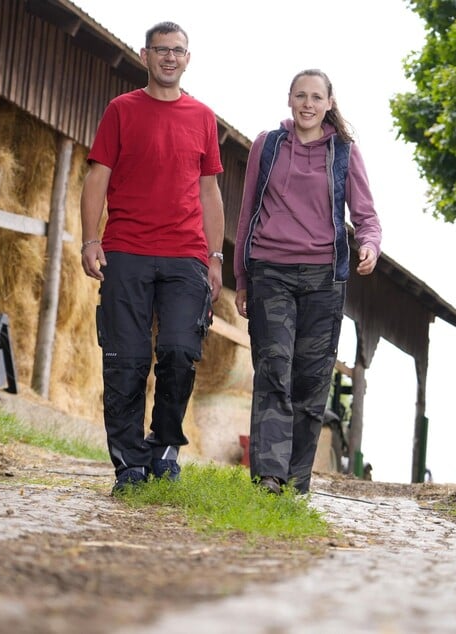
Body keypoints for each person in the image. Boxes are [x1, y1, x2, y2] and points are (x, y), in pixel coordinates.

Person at [80, 21, 225, 494]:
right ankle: (129, 465)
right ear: (145, 55)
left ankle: (165, 447)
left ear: (188, 58)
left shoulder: (203, 116)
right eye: (160, 50)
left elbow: (209, 192)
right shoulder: (121, 110)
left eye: (177, 51)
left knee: (181, 350)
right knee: (126, 359)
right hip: (126, 251)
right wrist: (89, 239)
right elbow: (97, 177)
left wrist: (215, 257)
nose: (169, 58)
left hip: (186, 256)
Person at [234, 69, 381, 495]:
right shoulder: (268, 144)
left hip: (324, 280)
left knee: (311, 380)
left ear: (329, 103)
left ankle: (296, 482)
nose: (308, 104)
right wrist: (242, 277)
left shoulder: (344, 152)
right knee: (274, 370)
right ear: (289, 99)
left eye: (317, 97)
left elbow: (367, 216)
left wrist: (369, 246)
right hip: (271, 272)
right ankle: (269, 477)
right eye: (301, 95)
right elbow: (247, 213)